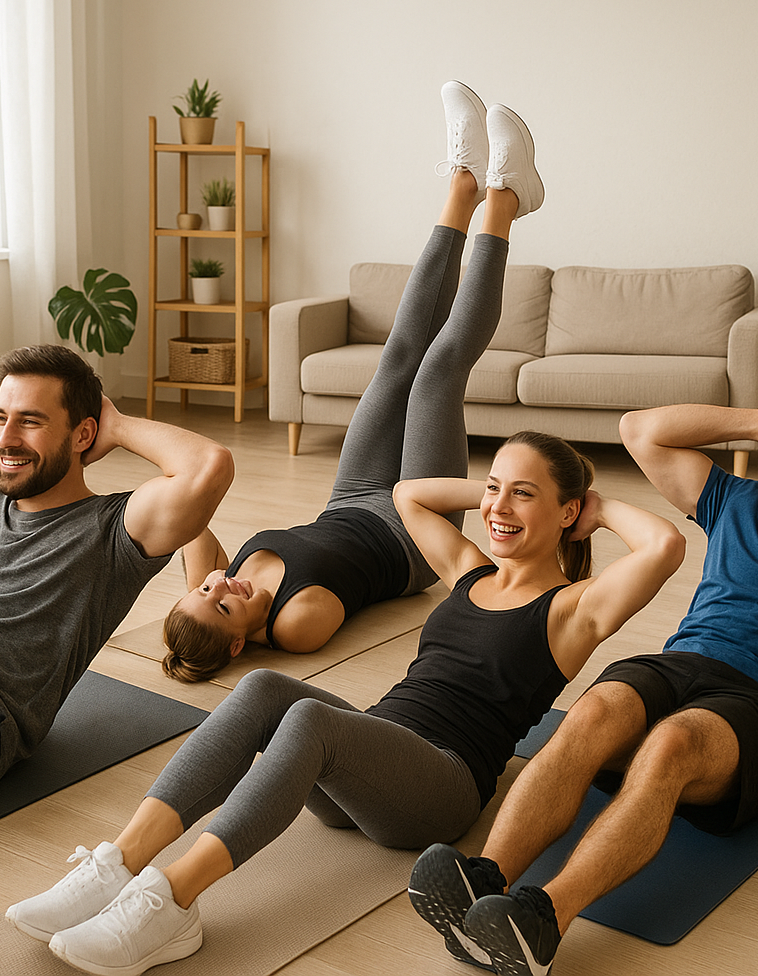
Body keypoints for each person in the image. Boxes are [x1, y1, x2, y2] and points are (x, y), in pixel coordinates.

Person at [1, 83, 684, 976]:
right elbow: (408, 503)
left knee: (434, 364)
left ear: (567, 515)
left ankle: (166, 904)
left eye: (527, 499)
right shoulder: (471, 569)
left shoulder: (574, 609)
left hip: (437, 792)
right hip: (368, 758)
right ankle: (118, 865)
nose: (499, 510)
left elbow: (665, 545)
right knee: (261, 698)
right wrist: (497, 487)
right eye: (497, 498)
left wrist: (583, 501)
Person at [408, 354, 758, 976]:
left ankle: (542, 921)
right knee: (593, 711)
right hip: (682, 664)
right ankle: (484, 879)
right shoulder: (735, 502)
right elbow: (640, 428)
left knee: (670, 745)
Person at [160, 79, 550, 683]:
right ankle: (504, 199)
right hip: (408, 538)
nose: (222, 584)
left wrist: (201, 581)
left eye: (206, 590)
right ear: (240, 644)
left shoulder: (218, 586)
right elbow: (353, 606)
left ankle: (463, 184)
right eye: (225, 603)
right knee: (435, 375)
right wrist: (236, 611)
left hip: (349, 498)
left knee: (397, 356)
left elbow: (191, 526)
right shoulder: (293, 626)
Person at [0, 344, 233, 807]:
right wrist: (10, 407)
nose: (5, 438)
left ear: (83, 435)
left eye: (32, 422)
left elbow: (210, 465)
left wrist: (113, 423)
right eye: (1, 420)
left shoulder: (113, 531)